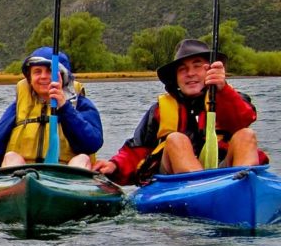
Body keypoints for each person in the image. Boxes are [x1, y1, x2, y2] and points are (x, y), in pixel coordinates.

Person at [94, 39, 266, 185]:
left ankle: (245, 186)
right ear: (176, 78)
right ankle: (200, 187)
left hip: (227, 178)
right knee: (176, 139)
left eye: (197, 66)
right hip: (176, 179)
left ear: (210, 70)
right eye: (183, 69)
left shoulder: (230, 97)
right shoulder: (159, 110)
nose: (190, 73)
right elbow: (137, 149)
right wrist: (115, 166)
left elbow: (242, 120)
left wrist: (222, 90)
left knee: (245, 134)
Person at [0, 47, 103, 179]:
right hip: (24, 180)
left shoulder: (80, 105)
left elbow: (91, 144)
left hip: (68, 180)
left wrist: (64, 107)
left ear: (63, 77)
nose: (43, 77)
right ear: (29, 78)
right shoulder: (18, 108)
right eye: (37, 72)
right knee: (11, 156)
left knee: (82, 160)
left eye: (50, 72)